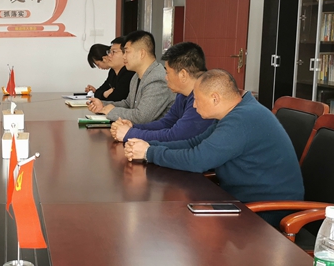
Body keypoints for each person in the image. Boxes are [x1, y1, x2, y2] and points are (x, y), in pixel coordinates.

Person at [125, 69, 304, 225]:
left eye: (197, 99)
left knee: (179, 223)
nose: (194, 105)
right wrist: (149, 145)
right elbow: (195, 143)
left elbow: (198, 160)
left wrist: (149, 153)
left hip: (267, 212)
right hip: (240, 201)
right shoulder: (234, 112)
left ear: (215, 98)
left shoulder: (242, 119)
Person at [111, 41, 213, 143]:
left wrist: (130, 133)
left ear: (183, 75)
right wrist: (133, 127)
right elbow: (166, 123)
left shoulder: (203, 98)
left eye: (167, 73)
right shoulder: (182, 94)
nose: (166, 77)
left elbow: (175, 136)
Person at [87, 30, 174, 124]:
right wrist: (102, 105)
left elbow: (142, 117)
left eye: (127, 52)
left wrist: (111, 111)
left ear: (141, 53)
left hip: (153, 132)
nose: (124, 57)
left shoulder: (157, 79)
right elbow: (128, 104)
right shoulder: (136, 76)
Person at [87, 37, 135, 101]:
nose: (109, 55)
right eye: (109, 52)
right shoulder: (112, 72)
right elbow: (99, 91)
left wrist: (104, 94)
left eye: (113, 52)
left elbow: (116, 99)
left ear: (125, 54)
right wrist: (104, 94)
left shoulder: (130, 73)